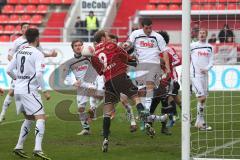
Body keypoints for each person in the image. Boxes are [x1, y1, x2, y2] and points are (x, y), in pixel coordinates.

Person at [91, 30, 150, 152]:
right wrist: (131, 60)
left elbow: (100, 71)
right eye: (106, 36)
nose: (108, 38)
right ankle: (145, 120)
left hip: (108, 81)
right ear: (103, 38)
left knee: (107, 111)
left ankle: (105, 139)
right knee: (135, 97)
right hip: (119, 76)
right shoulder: (111, 45)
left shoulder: (94, 55)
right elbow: (125, 56)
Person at [7, 28, 51, 159]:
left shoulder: (20, 51)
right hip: (29, 90)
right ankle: (38, 149)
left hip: (18, 90)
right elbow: (38, 74)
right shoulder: (37, 53)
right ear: (37, 38)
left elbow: (9, 69)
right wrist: (45, 91)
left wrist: (17, 80)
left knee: (29, 118)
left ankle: (19, 147)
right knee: (41, 118)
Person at [0, 23, 57, 123]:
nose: (26, 29)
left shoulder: (33, 41)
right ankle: (3, 114)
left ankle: (34, 114)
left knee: (28, 92)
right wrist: (17, 66)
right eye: (24, 28)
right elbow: (10, 56)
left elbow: (40, 53)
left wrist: (50, 55)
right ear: (21, 30)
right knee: (11, 92)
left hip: (29, 74)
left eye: (27, 27)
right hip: (19, 73)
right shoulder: (17, 42)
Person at [126, 18, 170, 130]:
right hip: (140, 65)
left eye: (151, 27)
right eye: (147, 28)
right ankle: (152, 118)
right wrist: (125, 45)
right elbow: (129, 44)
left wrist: (167, 67)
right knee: (141, 91)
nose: (149, 30)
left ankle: (146, 111)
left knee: (149, 86)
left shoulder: (157, 37)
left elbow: (165, 52)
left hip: (154, 65)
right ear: (142, 26)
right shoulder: (135, 34)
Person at [63, 40, 101, 135]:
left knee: (93, 90)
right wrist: (73, 82)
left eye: (80, 45)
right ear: (73, 48)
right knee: (80, 109)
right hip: (81, 85)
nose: (78, 47)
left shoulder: (88, 57)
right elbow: (65, 75)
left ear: (83, 47)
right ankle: (86, 129)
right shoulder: (70, 62)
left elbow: (99, 65)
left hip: (92, 82)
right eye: (76, 45)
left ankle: (93, 109)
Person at [150, 31, 181, 135]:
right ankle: (149, 125)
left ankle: (164, 126)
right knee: (154, 103)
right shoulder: (153, 51)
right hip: (155, 80)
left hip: (166, 80)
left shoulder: (167, 51)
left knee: (165, 103)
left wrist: (162, 62)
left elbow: (173, 62)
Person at [190, 28, 213, 131]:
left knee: (203, 99)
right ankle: (201, 122)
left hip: (205, 75)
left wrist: (206, 68)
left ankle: (197, 122)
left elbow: (212, 61)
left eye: (204, 33)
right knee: (202, 97)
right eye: (200, 33)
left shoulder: (210, 47)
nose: (202, 34)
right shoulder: (193, 45)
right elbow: (186, 57)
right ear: (198, 35)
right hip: (195, 75)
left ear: (206, 35)